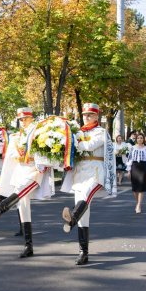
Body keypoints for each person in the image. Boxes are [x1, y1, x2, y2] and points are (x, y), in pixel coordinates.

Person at [0, 108, 53, 258]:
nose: (23, 121)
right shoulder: (16, 136)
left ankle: (2, 207)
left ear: (31, 118)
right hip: (20, 170)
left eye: (25, 118)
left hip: (33, 170)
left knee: (22, 190)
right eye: (21, 119)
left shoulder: (38, 132)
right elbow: (10, 156)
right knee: (23, 208)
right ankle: (28, 246)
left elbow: (44, 150)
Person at [60, 103, 116, 265]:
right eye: (85, 115)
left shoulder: (101, 132)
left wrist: (72, 142)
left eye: (90, 115)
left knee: (85, 196)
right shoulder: (77, 133)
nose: (87, 117)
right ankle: (83, 253)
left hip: (96, 172)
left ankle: (71, 218)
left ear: (97, 116)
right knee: (84, 214)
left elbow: (88, 146)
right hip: (80, 173)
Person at [127, 134, 146, 213]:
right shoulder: (133, 148)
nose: (139, 139)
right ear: (136, 139)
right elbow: (129, 159)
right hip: (134, 167)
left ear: (143, 139)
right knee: (135, 189)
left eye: (141, 138)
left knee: (141, 187)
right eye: (138, 138)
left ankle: (139, 205)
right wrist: (129, 171)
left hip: (143, 167)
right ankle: (137, 202)